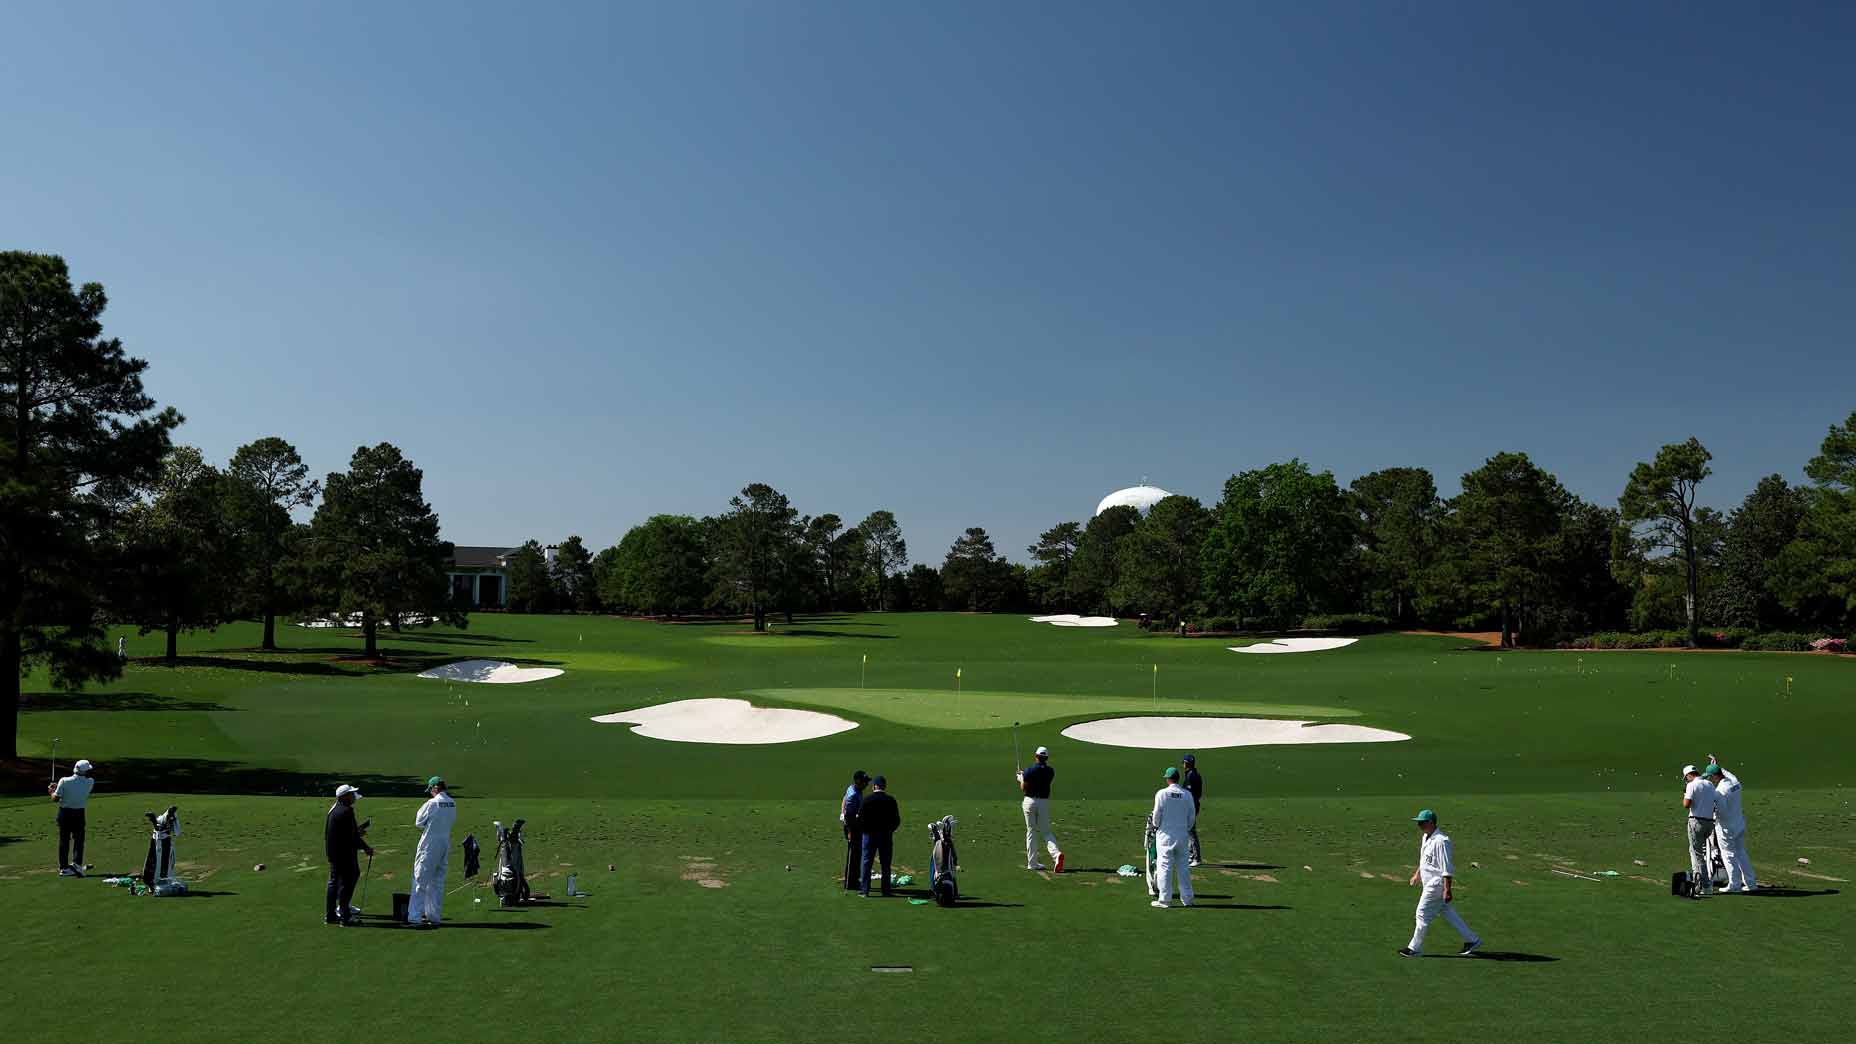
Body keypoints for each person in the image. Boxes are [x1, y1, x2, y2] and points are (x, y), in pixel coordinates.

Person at [1398, 809, 1480, 957]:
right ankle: (1472, 939)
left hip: (1436, 884)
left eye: (1421, 823)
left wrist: (1447, 890)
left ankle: (1414, 948)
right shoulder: (1426, 837)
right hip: (1428, 882)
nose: (1419, 826)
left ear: (1430, 823)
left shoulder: (1442, 841)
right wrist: (1417, 874)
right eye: (1418, 823)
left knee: (1421, 914)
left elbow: (1446, 868)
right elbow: (1424, 860)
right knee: (1447, 912)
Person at [407, 776, 458, 928]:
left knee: (419, 880)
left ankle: (414, 917)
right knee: (437, 882)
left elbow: (419, 822)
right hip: (444, 843)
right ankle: (434, 916)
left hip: (429, 845)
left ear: (435, 788)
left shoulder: (432, 803)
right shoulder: (452, 803)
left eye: (431, 790)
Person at [324, 784, 374, 926]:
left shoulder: (334, 809)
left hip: (334, 852)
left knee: (334, 882)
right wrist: (366, 848)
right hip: (344, 853)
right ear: (344, 796)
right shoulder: (346, 811)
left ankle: (331, 915)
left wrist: (356, 833)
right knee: (348, 880)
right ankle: (345, 916)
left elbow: (344, 832)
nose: (353, 797)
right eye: (351, 794)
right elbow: (351, 836)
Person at [1705, 757, 1757, 893]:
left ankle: (1734, 884)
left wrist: (1712, 815)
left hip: (1726, 827)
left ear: (1715, 776)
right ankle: (1751, 883)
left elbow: (1721, 811)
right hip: (1739, 822)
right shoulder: (1734, 781)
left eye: (1711, 777)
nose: (1711, 780)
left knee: (1728, 854)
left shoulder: (1720, 790)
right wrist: (1716, 766)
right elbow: (1728, 774)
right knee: (1741, 852)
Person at [1149, 766, 1196, 909]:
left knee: (1164, 866)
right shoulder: (1187, 795)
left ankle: (1164, 900)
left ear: (1168, 779)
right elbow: (1192, 816)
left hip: (1165, 835)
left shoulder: (1162, 794)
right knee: (1183, 868)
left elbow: (1157, 815)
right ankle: (1187, 899)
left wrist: (1157, 826)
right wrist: (1185, 829)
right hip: (1182, 835)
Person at [1018, 745, 1064, 872]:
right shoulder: (1050, 771)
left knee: (1031, 831)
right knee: (1046, 832)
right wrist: (1024, 777)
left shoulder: (1029, 771)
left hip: (1029, 802)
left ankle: (1032, 863)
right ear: (1046, 758)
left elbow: (1024, 788)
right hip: (1043, 803)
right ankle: (1056, 855)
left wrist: (1021, 778)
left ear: (1036, 756)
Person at [50, 759, 96, 877]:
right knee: (79, 840)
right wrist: (58, 789)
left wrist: (52, 791)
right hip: (79, 814)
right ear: (85, 771)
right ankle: (77, 865)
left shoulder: (64, 781)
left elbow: (55, 798)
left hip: (64, 814)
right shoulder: (90, 782)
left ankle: (64, 868)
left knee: (64, 840)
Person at [857, 775, 901, 897]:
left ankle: (865, 890)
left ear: (875, 786)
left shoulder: (867, 800)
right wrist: (889, 830)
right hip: (885, 836)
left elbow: (860, 819)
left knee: (866, 862)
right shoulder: (891, 800)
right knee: (886, 863)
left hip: (869, 835)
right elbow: (896, 820)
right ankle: (886, 890)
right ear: (884, 786)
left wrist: (864, 830)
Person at [1681, 763, 1718, 899]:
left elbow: (1686, 804)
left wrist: (1686, 794)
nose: (1686, 781)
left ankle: (1705, 886)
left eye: (1686, 778)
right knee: (1696, 852)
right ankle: (1698, 884)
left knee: (1697, 855)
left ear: (1689, 775)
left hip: (1696, 821)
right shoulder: (1709, 784)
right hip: (1709, 822)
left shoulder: (1691, 785)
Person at [840, 770, 870, 891]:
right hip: (853, 828)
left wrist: (842, 812)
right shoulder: (854, 794)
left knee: (856, 854)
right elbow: (849, 816)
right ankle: (851, 882)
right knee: (853, 855)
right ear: (858, 782)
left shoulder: (852, 789)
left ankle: (853, 880)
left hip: (855, 826)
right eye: (865, 782)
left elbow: (844, 799)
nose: (866, 784)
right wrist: (849, 831)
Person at [1182, 753, 1204, 867]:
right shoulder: (1193, 774)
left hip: (1191, 807)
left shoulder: (1191, 776)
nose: (1183, 765)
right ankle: (1191, 856)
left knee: (1191, 832)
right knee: (1189, 831)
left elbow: (1190, 794)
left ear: (1187, 764)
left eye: (1184, 763)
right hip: (1193, 806)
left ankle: (1196, 857)